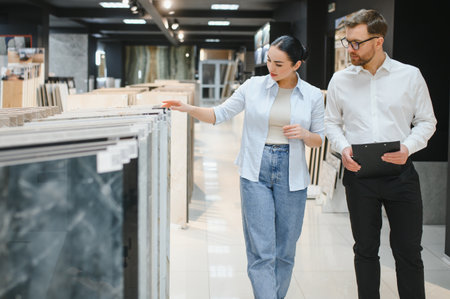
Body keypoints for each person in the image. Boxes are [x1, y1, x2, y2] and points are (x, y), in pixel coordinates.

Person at [162, 35, 324, 299]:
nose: (271, 68)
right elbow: (219, 114)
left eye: (279, 64)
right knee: (261, 252)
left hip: (292, 175)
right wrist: (188, 108)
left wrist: (305, 134)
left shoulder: (313, 95)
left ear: (297, 65)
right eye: (269, 61)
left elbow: (319, 139)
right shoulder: (253, 86)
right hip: (255, 171)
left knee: (285, 251)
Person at [324, 9, 437, 299]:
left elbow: (427, 121)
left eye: (357, 43)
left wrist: (408, 147)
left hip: (401, 176)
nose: (350, 49)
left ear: (378, 41)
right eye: (347, 42)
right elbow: (331, 123)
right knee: (365, 250)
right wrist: (343, 148)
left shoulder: (409, 76)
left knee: (409, 251)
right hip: (359, 176)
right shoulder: (340, 81)